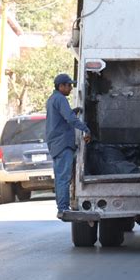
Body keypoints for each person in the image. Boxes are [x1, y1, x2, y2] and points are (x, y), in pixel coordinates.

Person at [46, 73, 91, 219]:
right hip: (62, 143)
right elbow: (70, 119)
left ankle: (62, 207)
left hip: (56, 144)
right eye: (69, 85)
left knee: (61, 177)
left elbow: (62, 117)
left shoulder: (53, 99)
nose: (71, 88)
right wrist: (85, 129)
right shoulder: (60, 99)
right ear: (61, 86)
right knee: (63, 177)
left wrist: (74, 111)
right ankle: (63, 208)